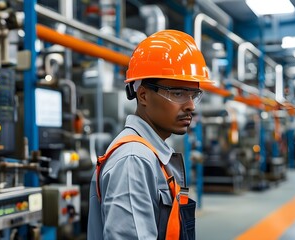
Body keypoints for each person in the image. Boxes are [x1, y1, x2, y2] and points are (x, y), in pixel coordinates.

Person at [87, 29, 214, 240]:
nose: (191, 105)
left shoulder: (151, 154)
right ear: (143, 95)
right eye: (178, 93)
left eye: (194, 95)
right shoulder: (133, 160)